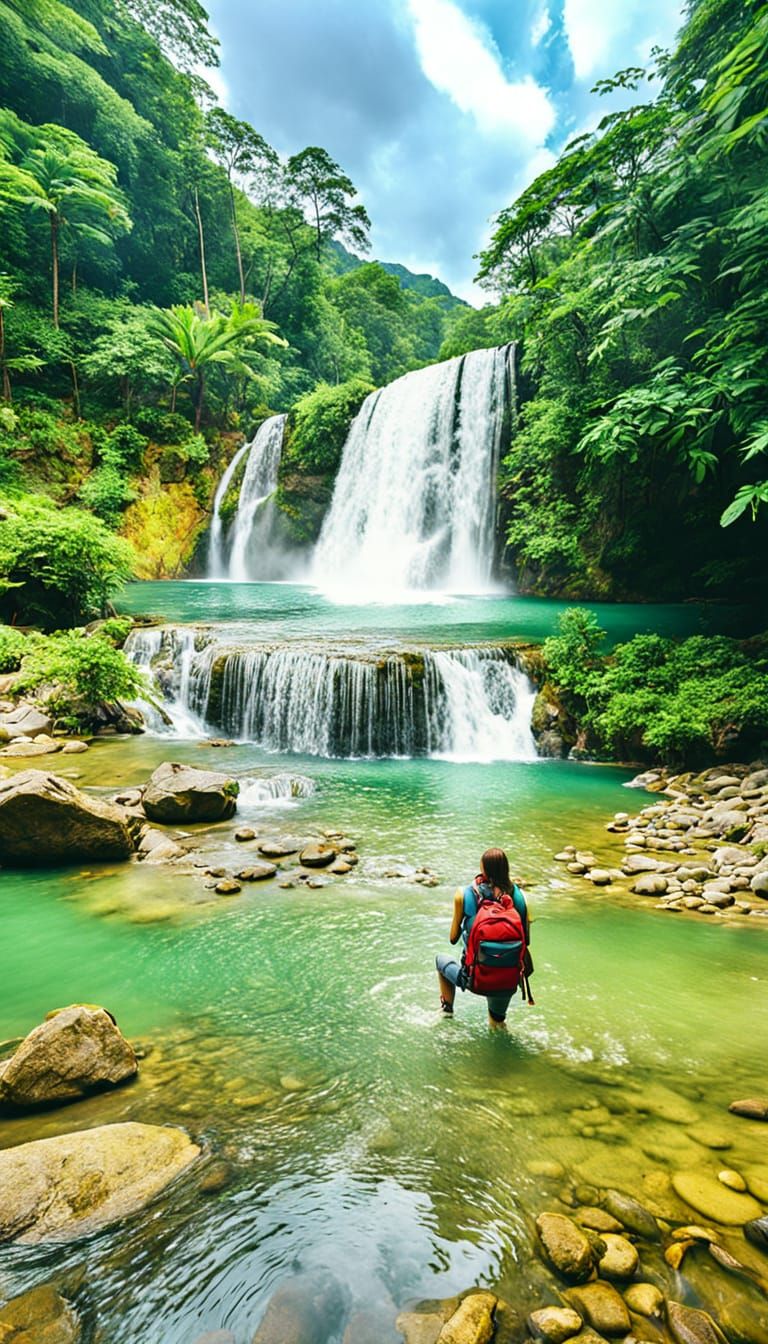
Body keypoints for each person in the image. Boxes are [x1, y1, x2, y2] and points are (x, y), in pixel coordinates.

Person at [435, 847, 531, 1029]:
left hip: (474, 978)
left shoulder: (464, 894)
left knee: (440, 961)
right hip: (507, 980)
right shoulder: (519, 897)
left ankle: (447, 1011)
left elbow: (453, 938)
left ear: (483, 869)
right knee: (497, 1024)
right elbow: (526, 940)